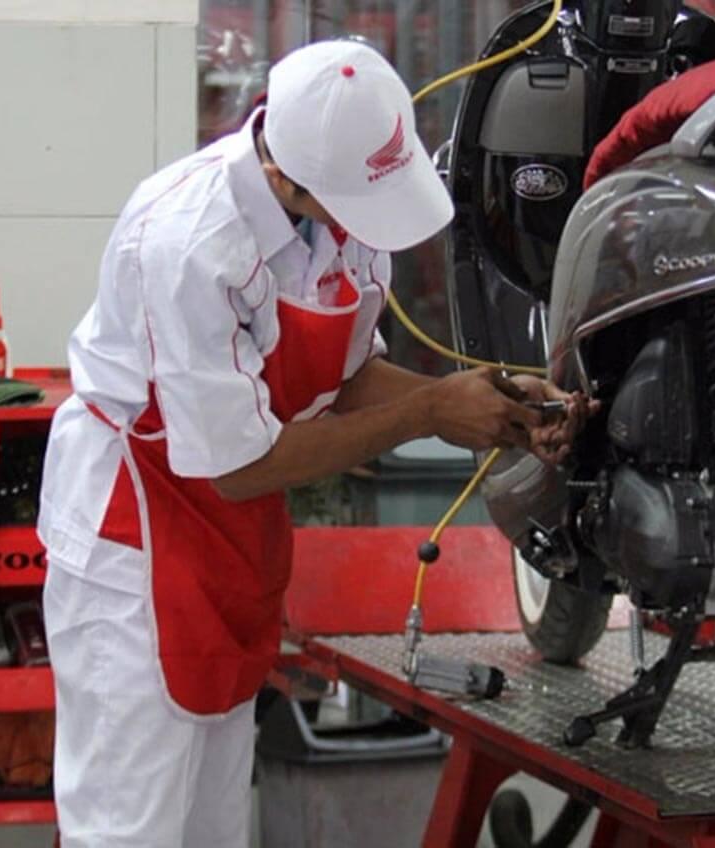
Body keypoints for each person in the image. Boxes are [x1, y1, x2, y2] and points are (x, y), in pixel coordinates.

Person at [37, 40, 589, 848]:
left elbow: (347, 375)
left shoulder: (338, 210)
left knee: (212, 825)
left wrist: (490, 401)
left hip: (231, 533)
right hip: (137, 533)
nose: (366, 226)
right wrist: (430, 412)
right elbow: (237, 466)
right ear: (285, 178)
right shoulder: (188, 242)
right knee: (129, 829)